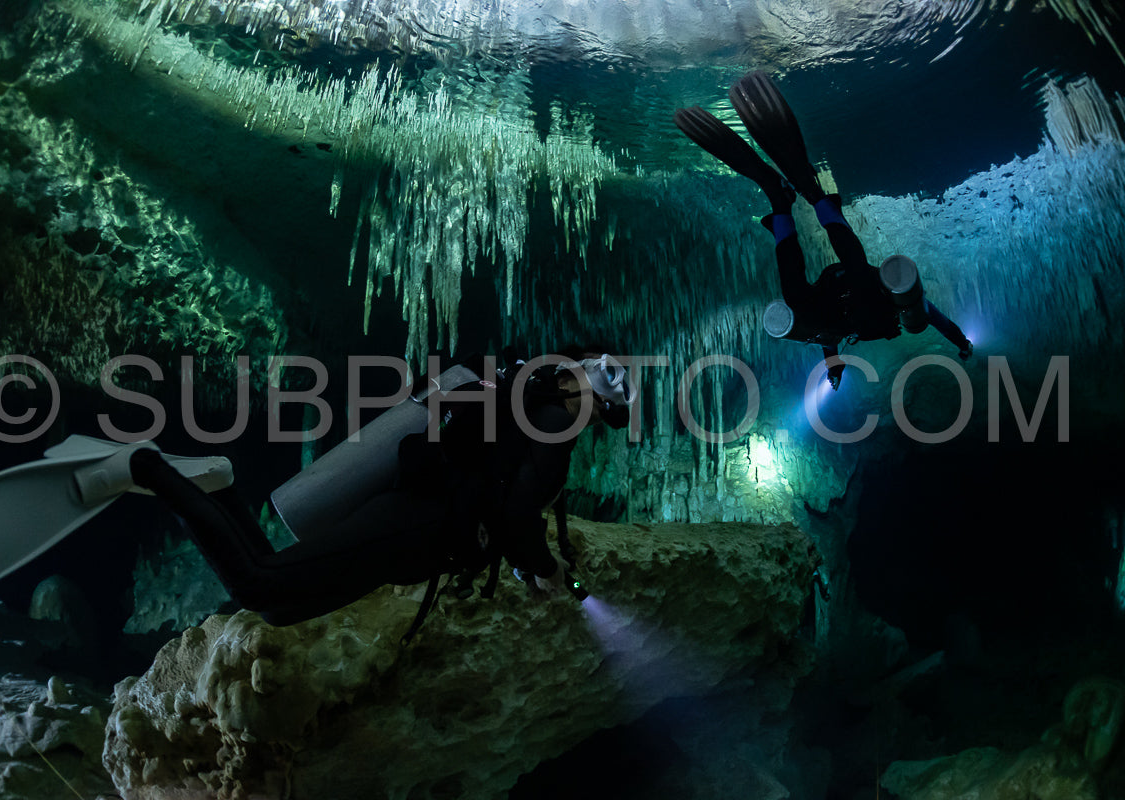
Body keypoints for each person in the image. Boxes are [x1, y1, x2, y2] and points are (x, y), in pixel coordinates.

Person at [123, 350, 635, 632]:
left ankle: (222, 485)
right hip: (415, 526)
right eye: (602, 413)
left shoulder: (528, 398)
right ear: (600, 411)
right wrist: (546, 569)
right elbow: (519, 512)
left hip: (414, 528)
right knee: (258, 586)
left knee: (280, 609)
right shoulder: (554, 425)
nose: (592, 420)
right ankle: (144, 465)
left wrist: (525, 555)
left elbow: (501, 493)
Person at [675, 71, 973, 390]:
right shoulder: (899, 309)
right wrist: (962, 342)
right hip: (861, 282)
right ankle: (815, 196)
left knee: (795, 300)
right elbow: (937, 319)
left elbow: (827, 337)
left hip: (832, 293)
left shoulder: (841, 327)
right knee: (858, 275)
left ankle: (780, 200)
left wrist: (834, 371)